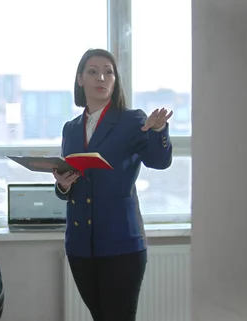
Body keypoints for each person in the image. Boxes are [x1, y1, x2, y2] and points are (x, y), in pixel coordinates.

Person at [53, 48, 173, 321]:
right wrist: (62, 185)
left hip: (122, 244)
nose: (102, 78)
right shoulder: (71, 128)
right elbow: (67, 187)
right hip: (80, 245)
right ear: (80, 78)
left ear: (116, 80)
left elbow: (159, 161)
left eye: (109, 72)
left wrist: (157, 131)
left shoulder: (132, 120)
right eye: (93, 72)